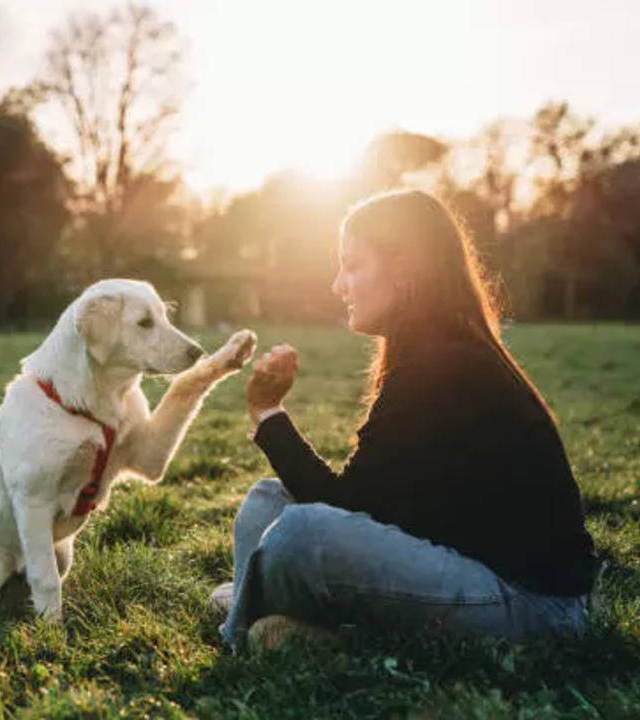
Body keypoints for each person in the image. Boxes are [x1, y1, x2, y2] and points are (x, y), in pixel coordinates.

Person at [214, 189, 598, 652]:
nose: (338, 285)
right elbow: (379, 507)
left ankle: (248, 623)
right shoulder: (428, 354)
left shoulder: (445, 365)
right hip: (463, 565)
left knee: (303, 532)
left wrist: (268, 415)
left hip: (536, 611)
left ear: (404, 270)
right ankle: (275, 619)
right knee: (267, 500)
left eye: (352, 265)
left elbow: (348, 507)